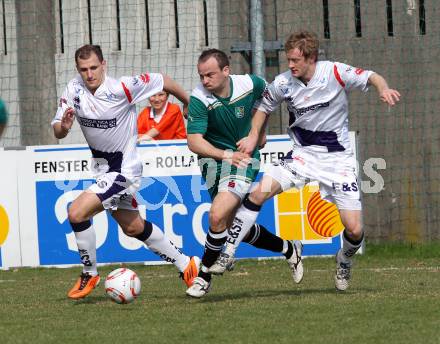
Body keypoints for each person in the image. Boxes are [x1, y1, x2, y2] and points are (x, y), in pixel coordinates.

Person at [211, 31, 401, 291]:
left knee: (354, 229)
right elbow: (264, 107)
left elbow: (371, 76)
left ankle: (344, 258)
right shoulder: (283, 83)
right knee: (258, 193)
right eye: (288, 60)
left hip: (338, 161)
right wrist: (255, 135)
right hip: (302, 155)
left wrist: (383, 88)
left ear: (311, 58)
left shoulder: (334, 72)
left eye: (295, 60)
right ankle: (228, 251)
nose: (290, 65)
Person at [51, 44, 200, 300]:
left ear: (104, 65)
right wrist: (63, 127)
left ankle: (90, 272)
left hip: (124, 171)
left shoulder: (122, 87)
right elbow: (57, 129)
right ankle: (187, 264)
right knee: (133, 228)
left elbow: (162, 80)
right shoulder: (73, 88)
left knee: (76, 212)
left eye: (94, 68)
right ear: (78, 69)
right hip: (103, 171)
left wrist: (188, 102)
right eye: (84, 69)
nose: (89, 74)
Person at [185, 48, 303, 298]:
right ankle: (288, 248)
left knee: (216, 216)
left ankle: (203, 276)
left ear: (226, 71)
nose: (205, 81)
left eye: (210, 75)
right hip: (213, 163)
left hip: (244, 161)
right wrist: (226, 154)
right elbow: (194, 142)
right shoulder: (199, 97)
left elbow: (268, 100)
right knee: (229, 224)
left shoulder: (250, 84)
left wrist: (257, 133)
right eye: (201, 76)